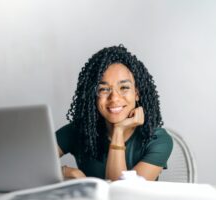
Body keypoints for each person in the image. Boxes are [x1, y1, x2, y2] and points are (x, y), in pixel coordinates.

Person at [56, 45, 173, 181]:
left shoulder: (157, 140)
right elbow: (30, 164)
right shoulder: (79, 131)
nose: (115, 98)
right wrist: (64, 172)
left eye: (124, 87)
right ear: (93, 96)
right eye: (104, 89)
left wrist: (118, 131)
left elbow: (121, 195)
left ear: (137, 93)